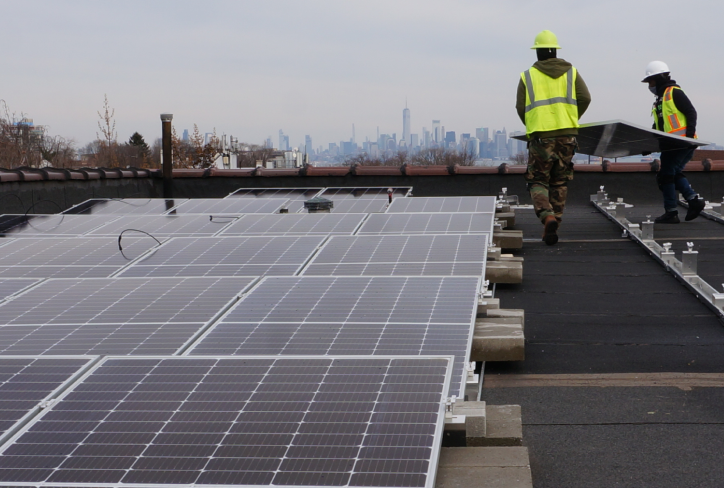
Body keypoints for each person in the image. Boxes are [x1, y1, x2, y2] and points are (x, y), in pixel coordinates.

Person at [516, 30, 591, 245]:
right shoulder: (572, 72)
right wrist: (570, 118)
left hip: (541, 137)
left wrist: (534, 125)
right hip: (568, 135)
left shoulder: (527, 76)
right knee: (560, 180)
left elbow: (520, 107)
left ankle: (546, 216)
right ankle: (555, 223)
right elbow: (585, 98)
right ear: (556, 50)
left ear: (537, 52)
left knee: (538, 179)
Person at [642, 61, 705, 223]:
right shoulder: (661, 99)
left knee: (667, 175)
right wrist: (649, 144)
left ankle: (674, 211)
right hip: (671, 145)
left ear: (660, 78)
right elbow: (658, 126)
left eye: (651, 81)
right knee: (672, 174)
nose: (650, 85)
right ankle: (692, 201)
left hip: (680, 143)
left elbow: (691, 112)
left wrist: (688, 136)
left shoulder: (673, 93)